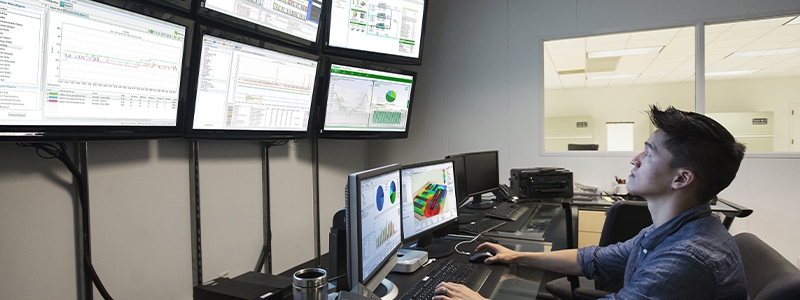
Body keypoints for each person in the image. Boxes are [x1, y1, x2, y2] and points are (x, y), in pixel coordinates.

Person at [433, 105, 748, 300]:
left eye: (649, 152)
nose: (635, 159)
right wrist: (517, 255)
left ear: (681, 179)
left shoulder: (686, 260)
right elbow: (594, 260)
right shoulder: (672, 230)